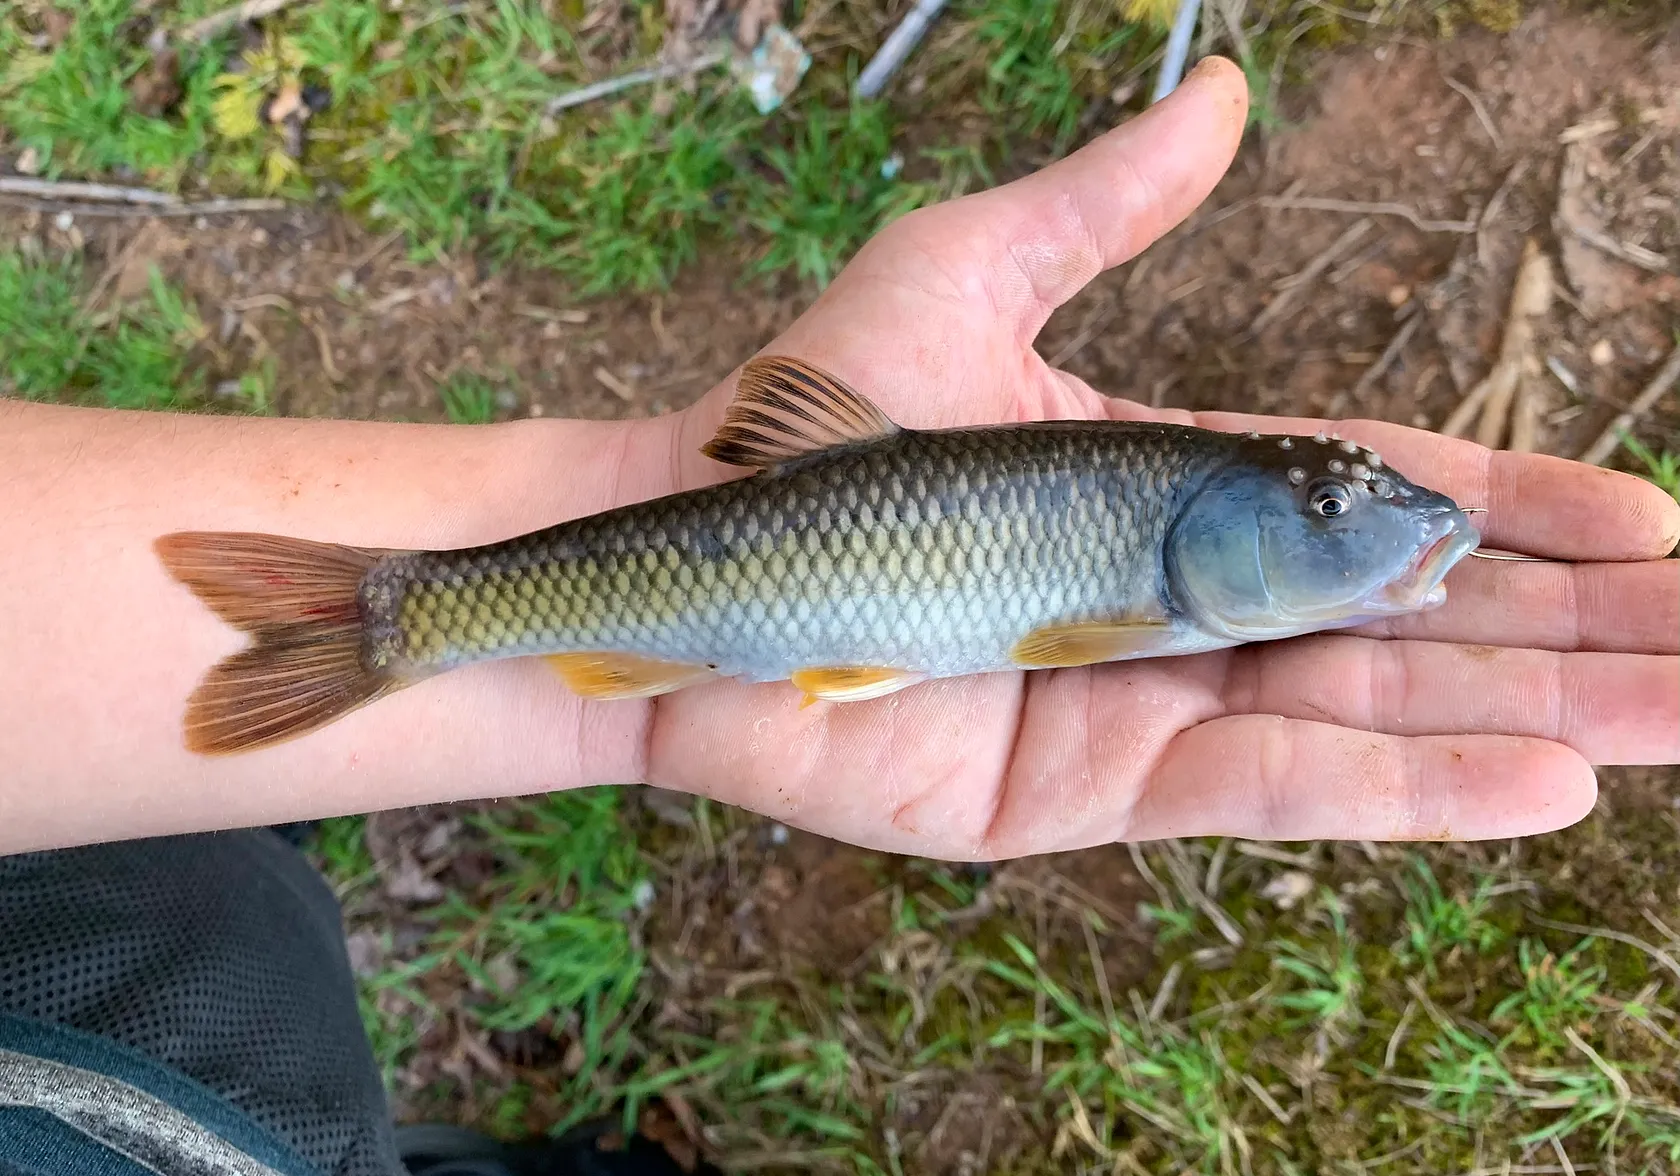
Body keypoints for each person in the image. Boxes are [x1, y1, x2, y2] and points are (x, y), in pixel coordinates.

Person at [0, 57, 1674, 1176]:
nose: (1370, 529)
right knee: (241, 955)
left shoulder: (1157, 557)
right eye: (1329, 507)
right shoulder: (1136, 557)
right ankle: (396, 621)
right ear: (1230, 518)